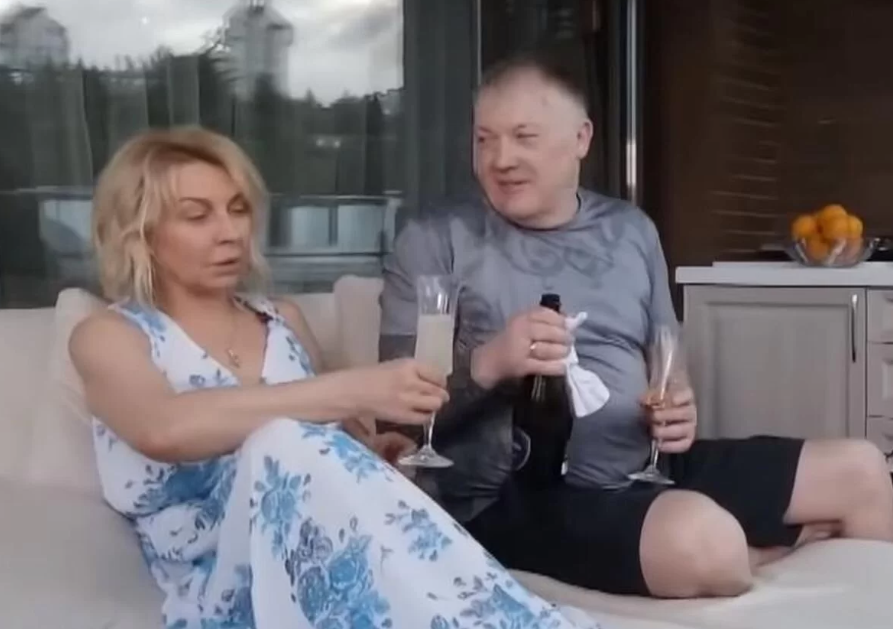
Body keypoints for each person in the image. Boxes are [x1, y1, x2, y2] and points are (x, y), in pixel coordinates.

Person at [379, 50, 893, 599]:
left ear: (581, 138)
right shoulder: (435, 241)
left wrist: (679, 405)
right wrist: (493, 361)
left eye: (523, 137)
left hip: (646, 467)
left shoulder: (630, 231)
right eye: (485, 139)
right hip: (517, 495)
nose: (500, 158)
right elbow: (391, 418)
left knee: (862, 471)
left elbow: (665, 356)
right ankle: (759, 550)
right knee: (703, 540)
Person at [69, 126, 603, 629]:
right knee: (279, 439)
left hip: (331, 553)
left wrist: (374, 452)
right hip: (228, 580)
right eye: (196, 215)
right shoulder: (111, 334)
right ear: (140, 231)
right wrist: (352, 388)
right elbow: (162, 429)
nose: (230, 232)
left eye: (238, 209)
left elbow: (335, 447)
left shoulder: (281, 321)